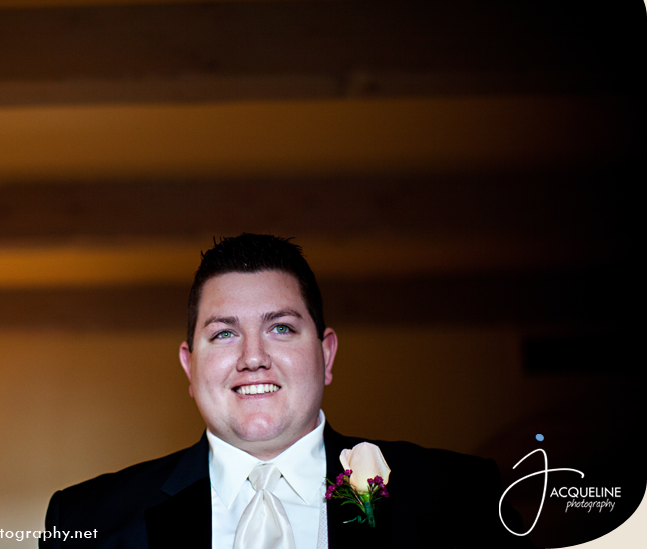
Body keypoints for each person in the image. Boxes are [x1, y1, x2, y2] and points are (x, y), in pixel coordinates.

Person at [40, 234, 533, 548]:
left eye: (280, 328)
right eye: (224, 333)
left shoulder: (458, 498)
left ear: (327, 355)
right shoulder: (85, 520)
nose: (253, 357)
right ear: (190, 367)